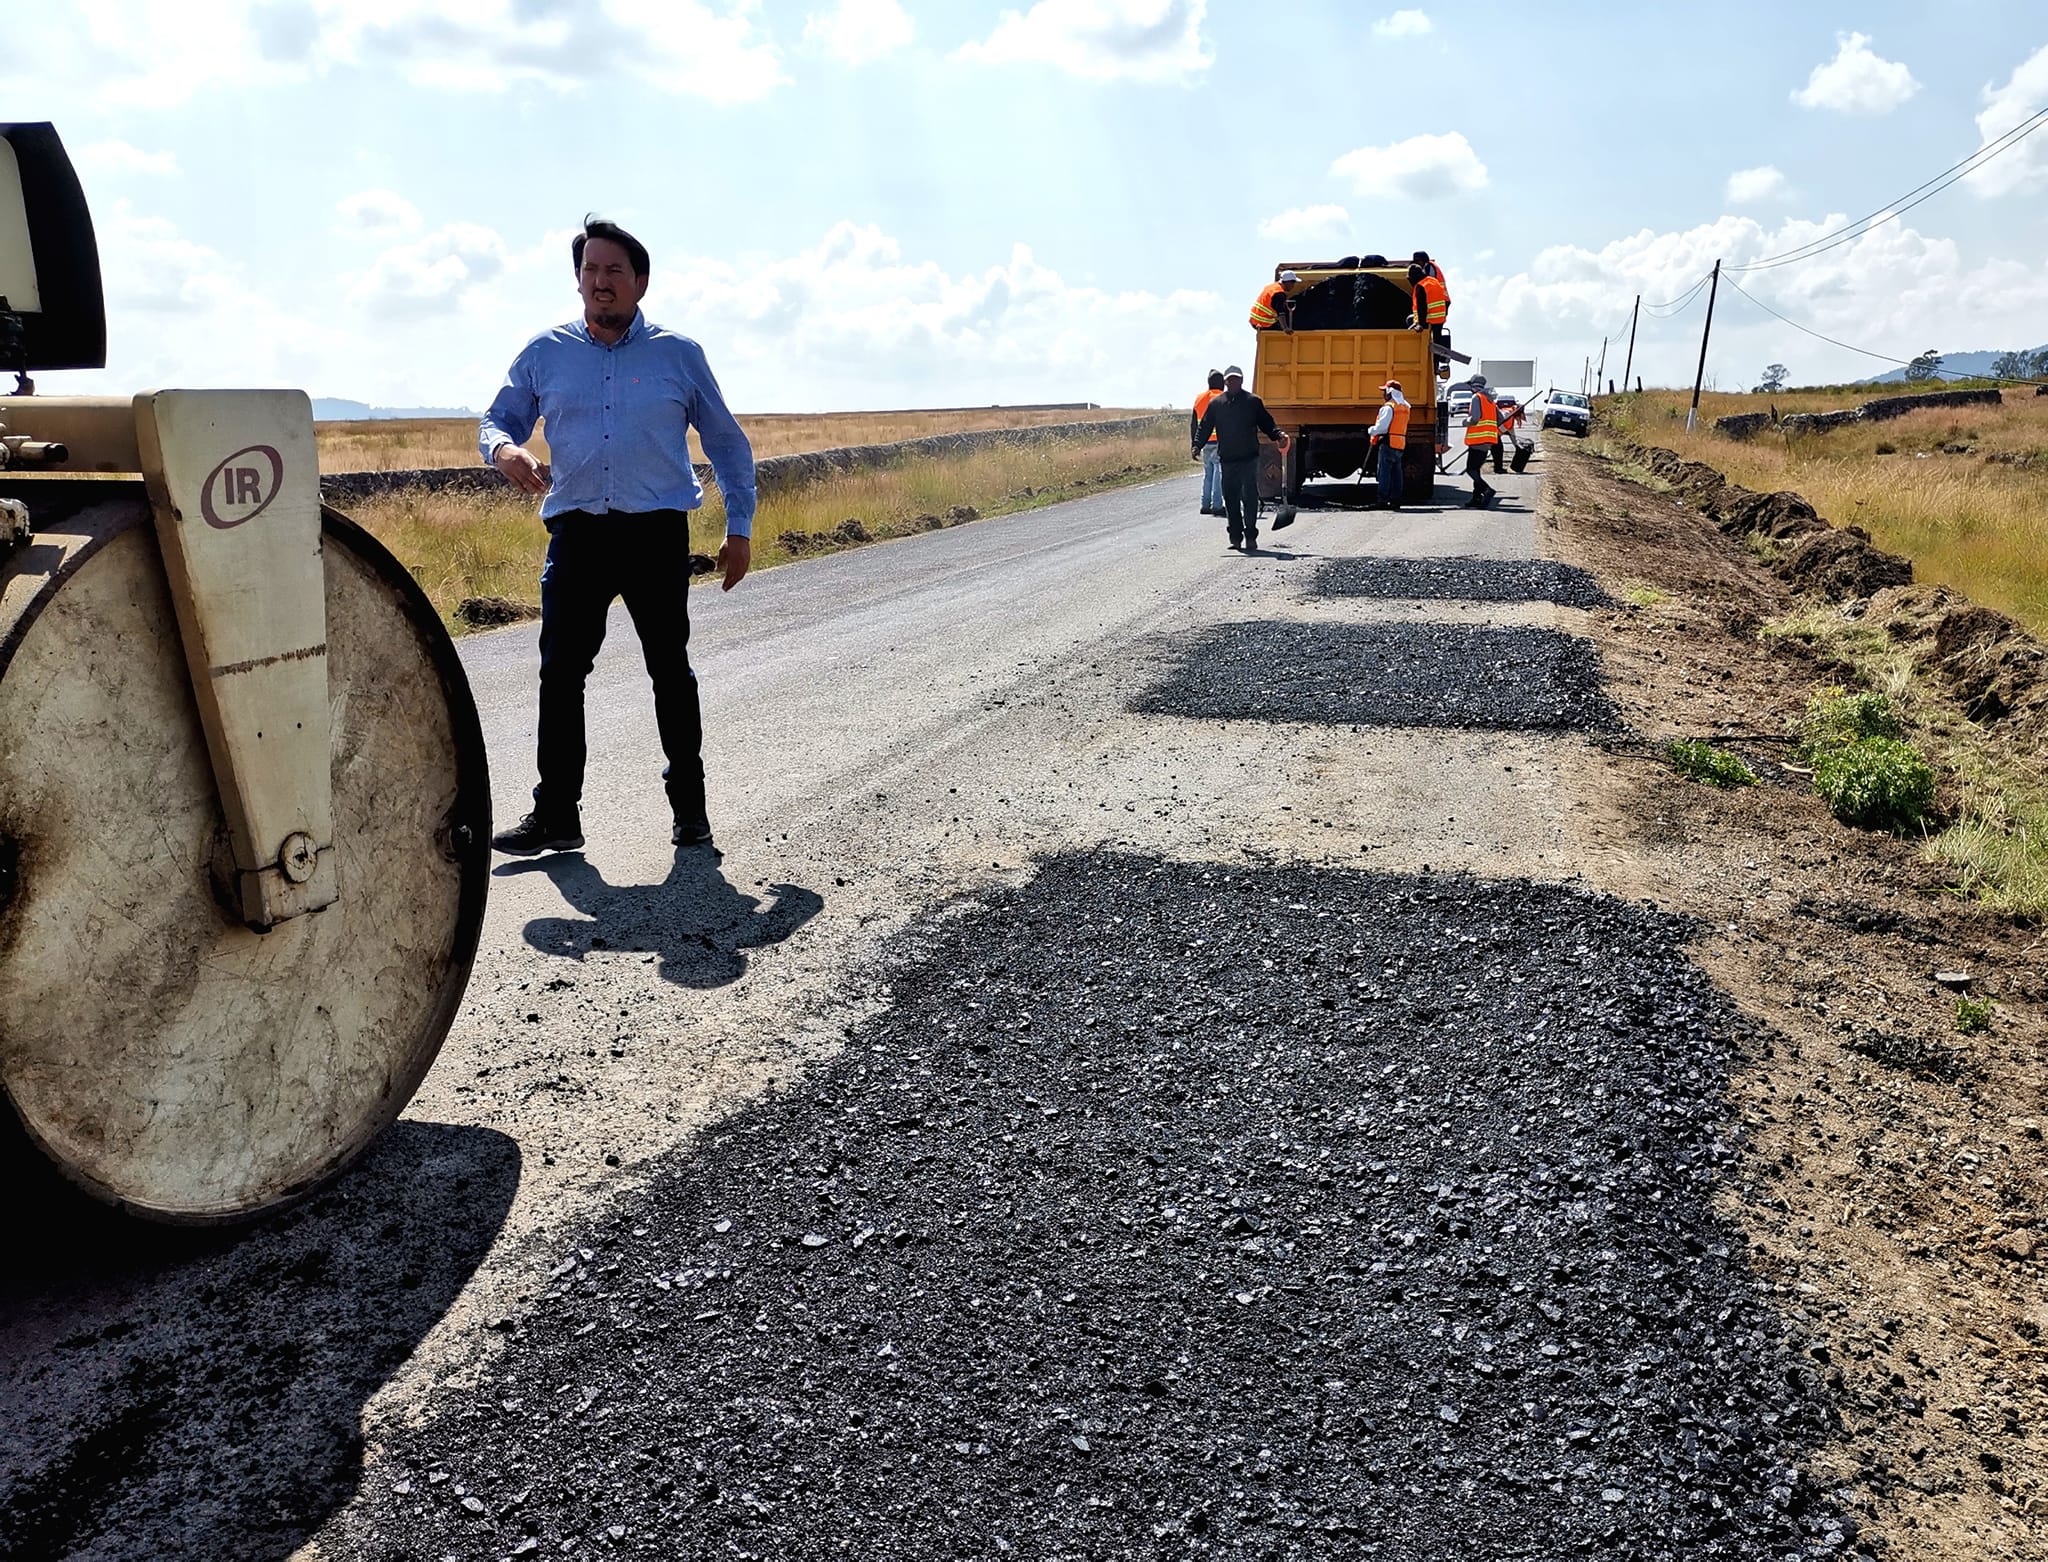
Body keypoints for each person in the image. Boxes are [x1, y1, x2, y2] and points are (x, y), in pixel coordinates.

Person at [480, 216, 758, 856]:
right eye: (590, 270)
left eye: (613, 272)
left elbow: (727, 444)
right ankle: (556, 815)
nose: (600, 282)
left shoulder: (678, 355)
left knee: (669, 671)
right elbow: (498, 418)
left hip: (655, 534)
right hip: (576, 535)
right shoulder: (545, 353)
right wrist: (504, 451)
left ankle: (691, 812)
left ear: (640, 283)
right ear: (577, 280)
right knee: (560, 675)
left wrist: (738, 528)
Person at [1194, 366, 1288, 551]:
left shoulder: (1253, 402)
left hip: (1249, 458)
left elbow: (1267, 423)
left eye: (1236, 379)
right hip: (1227, 460)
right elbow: (1205, 426)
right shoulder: (1217, 404)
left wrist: (1278, 435)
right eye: (1230, 380)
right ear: (1225, 382)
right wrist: (1197, 445)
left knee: (1250, 497)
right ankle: (1235, 537)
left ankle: (1251, 535)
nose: (1233, 382)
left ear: (1242, 381)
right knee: (1231, 498)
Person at [1367, 379, 1411, 509]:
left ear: (1390, 392)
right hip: (1400, 443)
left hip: (1388, 442)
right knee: (1397, 474)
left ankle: (1382, 499)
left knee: (1384, 473)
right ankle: (1396, 499)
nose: (1383, 395)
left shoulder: (1389, 407)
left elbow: (1382, 428)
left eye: (1384, 391)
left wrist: (1371, 430)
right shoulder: (1405, 407)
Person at [1463, 373, 1501, 508]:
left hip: (1478, 440)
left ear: (1473, 386)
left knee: (1471, 470)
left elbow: (1474, 418)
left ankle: (1487, 490)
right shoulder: (1490, 400)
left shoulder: (1476, 397)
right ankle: (1476, 498)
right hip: (1488, 441)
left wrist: (1465, 422)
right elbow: (1500, 419)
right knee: (1476, 469)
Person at [1190, 369, 1226, 515]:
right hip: (1220, 441)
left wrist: (1195, 444)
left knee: (1208, 473)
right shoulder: (1223, 397)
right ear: (1222, 383)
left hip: (1205, 443)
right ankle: (1217, 505)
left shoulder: (1199, 399)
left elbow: (1194, 424)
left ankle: (1205, 505)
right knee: (1219, 472)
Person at [1408, 262, 1450, 340]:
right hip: (1440, 320)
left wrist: (1420, 325)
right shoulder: (1434, 281)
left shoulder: (1421, 286)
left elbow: (1422, 308)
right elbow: (1446, 301)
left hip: (1429, 321)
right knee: (1437, 341)